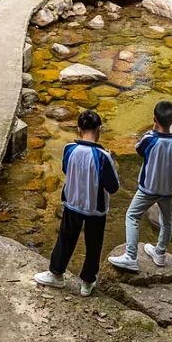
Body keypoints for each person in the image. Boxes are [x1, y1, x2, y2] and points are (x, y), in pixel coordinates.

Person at [34, 110, 119, 296]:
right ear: (100, 129)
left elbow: (66, 169)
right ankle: (87, 282)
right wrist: (113, 161)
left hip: (72, 202)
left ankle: (56, 274)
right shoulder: (103, 157)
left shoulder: (69, 149)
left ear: (78, 129)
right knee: (94, 244)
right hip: (96, 209)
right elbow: (113, 187)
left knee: (65, 238)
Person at [108, 100, 172, 271]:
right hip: (168, 190)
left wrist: (152, 130)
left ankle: (131, 256)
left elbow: (138, 149)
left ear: (154, 119)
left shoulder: (149, 139)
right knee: (166, 221)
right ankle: (160, 253)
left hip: (148, 189)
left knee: (132, 215)